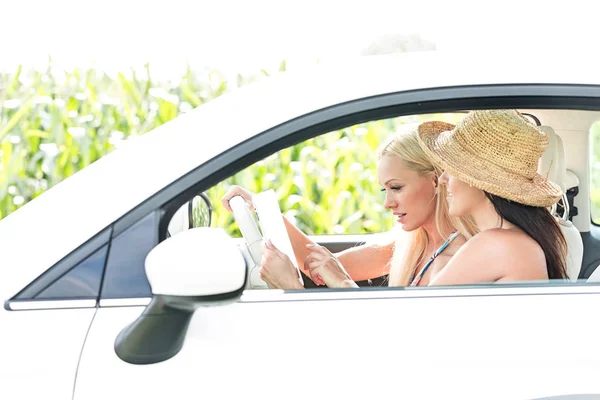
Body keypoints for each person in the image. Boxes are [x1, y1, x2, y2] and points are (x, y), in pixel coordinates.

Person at [221, 122, 478, 289]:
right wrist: (263, 209)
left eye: (396, 187)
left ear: (436, 181)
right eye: (384, 190)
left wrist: (333, 285)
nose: (387, 203)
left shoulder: (454, 261)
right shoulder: (410, 245)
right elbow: (316, 264)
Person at [413, 109, 569, 285]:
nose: (442, 179)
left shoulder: (496, 244)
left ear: (478, 179)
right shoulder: (519, 239)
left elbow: (422, 308)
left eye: (452, 168)